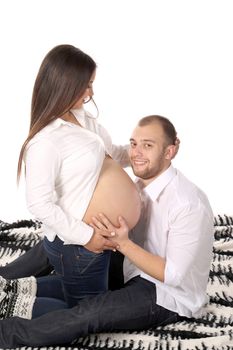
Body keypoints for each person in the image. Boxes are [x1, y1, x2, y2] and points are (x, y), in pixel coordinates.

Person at [0, 115, 214, 348]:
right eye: (133, 144)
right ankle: (5, 281)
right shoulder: (143, 184)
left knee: (91, 313)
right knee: (67, 237)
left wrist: (123, 244)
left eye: (148, 145)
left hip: (165, 295)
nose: (136, 153)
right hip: (131, 266)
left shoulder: (188, 204)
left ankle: (5, 334)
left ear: (170, 151)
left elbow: (172, 275)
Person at [0, 44, 142, 318]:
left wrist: (142, 153)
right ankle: (7, 307)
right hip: (77, 247)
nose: (91, 93)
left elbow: (112, 152)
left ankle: (13, 290)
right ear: (64, 84)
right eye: (86, 85)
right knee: (85, 313)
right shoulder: (46, 141)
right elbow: (39, 204)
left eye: (91, 85)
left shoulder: (81, 119)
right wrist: (88, 237)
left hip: (91, 244)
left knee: (82, 298)